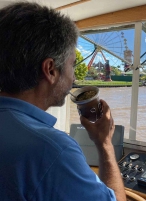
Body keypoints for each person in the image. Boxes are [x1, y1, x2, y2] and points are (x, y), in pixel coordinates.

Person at [0, 2, 126, 201]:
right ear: (50, 70)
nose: (74, 78)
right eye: (72, 65)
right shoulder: (52, 150)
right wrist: (104, 145)